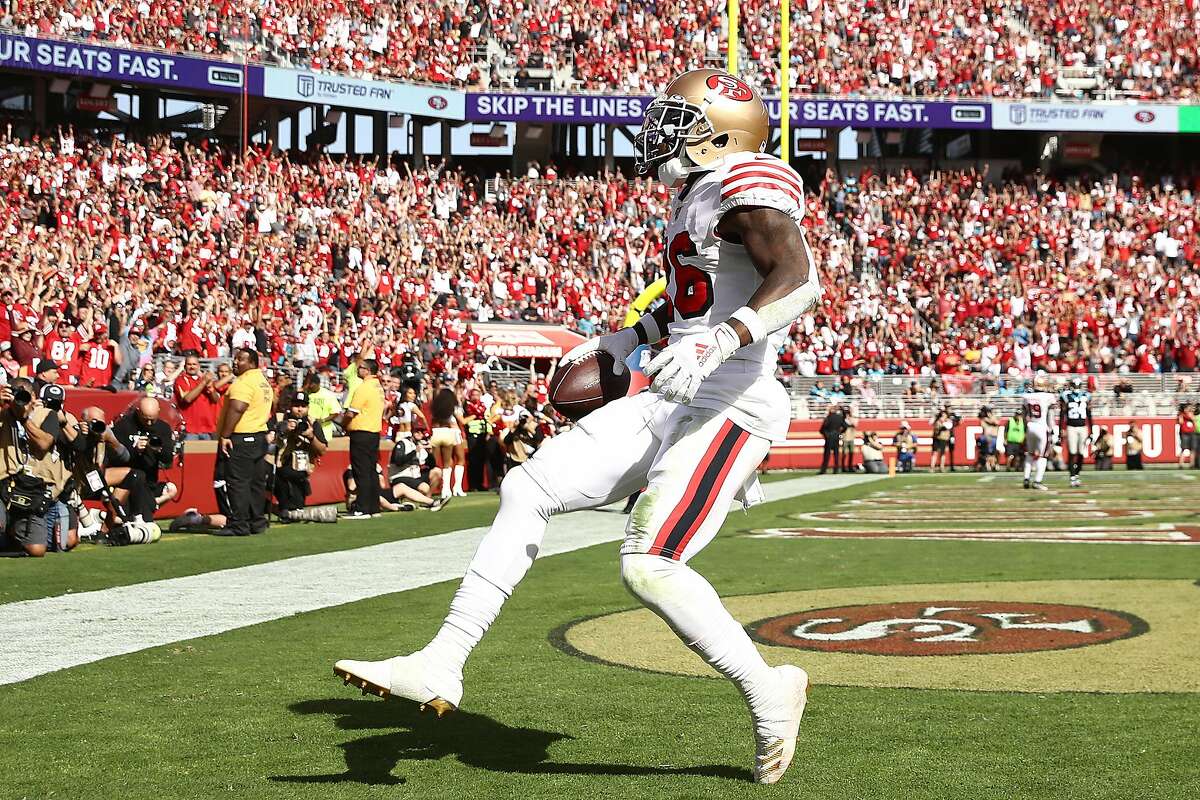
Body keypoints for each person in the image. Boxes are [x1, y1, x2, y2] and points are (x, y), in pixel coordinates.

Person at [336, 70, 818, 785]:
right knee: (528, 488)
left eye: (678, 120)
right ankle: (443, 661)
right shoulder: (691, 197)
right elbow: (700, 301)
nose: (659, 132)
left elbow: (798, 278)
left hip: (730, 405)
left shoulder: (747, 178)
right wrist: (633, 337)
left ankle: (766, 689)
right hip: (673, 396)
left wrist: (720, 343)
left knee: (649, 566)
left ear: (721, 132)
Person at [214, 348, 273, 536]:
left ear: (252, 363)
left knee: (238, 482)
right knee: (256, 483)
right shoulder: (263, 382)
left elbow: (238, 408)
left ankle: (239, 524)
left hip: (242, 437)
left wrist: (225, 435)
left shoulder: (244, 382)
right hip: (258, 436)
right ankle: (257, 521)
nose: (235, 362)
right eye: (236, 358)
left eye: (241, 359)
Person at [0, 379, 61, 556]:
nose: (21, 400)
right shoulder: (3, 414)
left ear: (34, 397)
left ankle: (10, 535)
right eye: (17, 395)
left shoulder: (47, 415)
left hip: (31, 487)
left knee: (37, 550)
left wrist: (24, 418)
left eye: (25, 396)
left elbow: (43, 445)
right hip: (4, 481)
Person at [270, 391, 332, 521]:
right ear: (290, 405)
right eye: (296, 405)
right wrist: (283, 429)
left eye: (303, 406)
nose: (299, 409)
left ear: (308, 408)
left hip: (301, 471)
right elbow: (267, 439)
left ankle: (285, 511)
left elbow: (322, 450)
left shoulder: (312, 423)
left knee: (296, 509)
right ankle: (279, 508)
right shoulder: (280, 418)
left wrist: (311, 436)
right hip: (278, 468)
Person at [112, 397, 180, 512]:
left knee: (171, 489)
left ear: (158, 412)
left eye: (152, 420)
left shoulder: (163, 428)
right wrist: (135, 450)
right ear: (138, 412)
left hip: (149, 481)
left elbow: (167, 459)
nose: (149, 423)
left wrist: (158, 449)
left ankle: (149, 506)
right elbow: (114, 455)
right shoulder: (124, 426)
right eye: (145, 419)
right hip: (127, 481)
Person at [341, 357, 385, 519]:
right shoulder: (377, 387)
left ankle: (362, 508)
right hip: (373, 432)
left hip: (361, 432)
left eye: (361, 368)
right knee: (371, 470)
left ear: (367, 370)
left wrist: (343, 423)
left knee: (361, 470)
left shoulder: (364, 387)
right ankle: (373, 507)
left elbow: (352, 412)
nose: (358, 370)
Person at [429, 385, 466, 499]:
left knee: (445, 461)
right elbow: (462, 421)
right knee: (460, 459)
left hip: (437, 433)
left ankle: (446, 488)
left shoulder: (435, 408)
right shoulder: (453, 407)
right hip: (453, 432)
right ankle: (457, 487)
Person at [1023, 374, 1057, 491]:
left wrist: (1025, 428)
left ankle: (1026, 478)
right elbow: (1051, 416)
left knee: (1030, 453)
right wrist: (1052, 430)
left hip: (1030, 426)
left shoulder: (1027, 397)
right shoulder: (1048, 397)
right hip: (1042, 427)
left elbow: (1024, 414)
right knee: (1043, 456)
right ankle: (1037, 481)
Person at [174, 355, 219, 440]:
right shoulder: (180, 380)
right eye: (189, 364)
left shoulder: (203, 379)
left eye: (194, 364)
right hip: (190, 429)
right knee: (190, 453)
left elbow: (216, 399)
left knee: (208, 453)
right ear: (185, 366)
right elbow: (187, 399)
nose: (192, 367)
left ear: (198, 366)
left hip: (207, 428)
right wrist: (203, 383)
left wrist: (211, 388)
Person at [1060, 376, 1093, 488]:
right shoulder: (1066, 396)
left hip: (1082, 426)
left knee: (1080, 453)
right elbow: (1062, 413)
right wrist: (1061, 428)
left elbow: (1089, 413)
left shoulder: (1086, 396)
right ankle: (1072, 476)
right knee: (1072, 452)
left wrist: (1091, 430)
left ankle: (1077, 474)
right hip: (1071, 426)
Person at [303, 370, 343, 441]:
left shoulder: (328, 395)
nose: (309, 386)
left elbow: (336, 413)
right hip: (307, 430)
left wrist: (322, 420)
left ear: (317, 384)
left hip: (323, 432)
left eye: (311, 384)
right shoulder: (306, 394)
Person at [818, 404, 845, 474]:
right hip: (836, 437)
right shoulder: (839, 417)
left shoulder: (828, 418)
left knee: (827, 454)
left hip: (829, 437)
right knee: (836, 454)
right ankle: (836, 469)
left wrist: (826, 435)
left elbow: (822, 429)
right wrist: (840, 432)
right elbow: (845, 426)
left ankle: (824, 470)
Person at [979, 406, 1001, 472]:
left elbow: (997, 423)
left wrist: (989, 419)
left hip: (994, 437)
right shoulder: (983, 419)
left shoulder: (993, 418)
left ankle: (993, 465)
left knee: (993, 453)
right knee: (988, 453)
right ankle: (989, 466)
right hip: (988, 437)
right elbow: (984, 427)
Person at [930, 407, 953, 473]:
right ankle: (932, 467)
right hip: (936, 438)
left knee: (942, 453)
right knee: (935, 453)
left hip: (943, 438)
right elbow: (935, 426)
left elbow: (949, 426)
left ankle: (942, 467)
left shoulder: (948, 421)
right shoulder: (937, 421)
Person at [840, 406, 857, 473]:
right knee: (844, 453)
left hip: (851, 437)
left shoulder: (851, 418)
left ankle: (850, 466)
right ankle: (843, 467)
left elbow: (854, 425)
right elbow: (842, 428)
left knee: (851, 453)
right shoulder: (842, 419)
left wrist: (850, 419)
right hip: (845, 438)